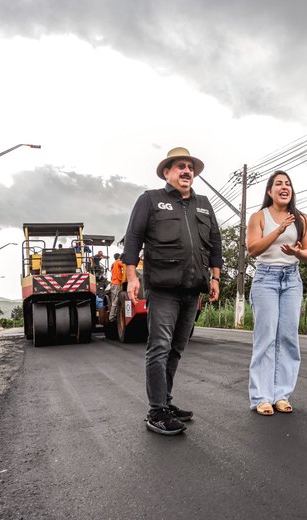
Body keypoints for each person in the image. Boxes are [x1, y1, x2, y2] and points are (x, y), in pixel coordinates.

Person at [122, 146, 222, 435]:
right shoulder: (150, 200)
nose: (187, 171)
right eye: (180, 166)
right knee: (159, 348)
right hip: (164, 288)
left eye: (190, 167)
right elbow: (133, 239)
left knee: (176, 349)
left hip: (193, 289)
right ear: (167, 172)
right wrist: (131, 276)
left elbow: (215, 243)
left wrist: (215, 278)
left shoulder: (204, 203)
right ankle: (156, 412)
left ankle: (165, 402)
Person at [246, 170, 307, 416]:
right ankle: (261, 396)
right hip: (266, 278)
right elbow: (253, 249)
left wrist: (296, 252)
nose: (284, 187)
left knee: (287, 338)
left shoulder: (302, 219)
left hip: (292, 279)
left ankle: (281, 395)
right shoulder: (259, 217)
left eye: (288, 184)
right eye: (278, 184)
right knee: (266, 338)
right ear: (270, 191)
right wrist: (278, 231)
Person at [108, 253, 125, 323]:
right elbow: (125, 265)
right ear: (119, 257)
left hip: (113, 283)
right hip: (117, 283)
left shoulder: (113, 264)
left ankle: (113, 316)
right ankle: (111, 317)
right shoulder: (118, 262)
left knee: (114, 301)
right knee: (115, 301)